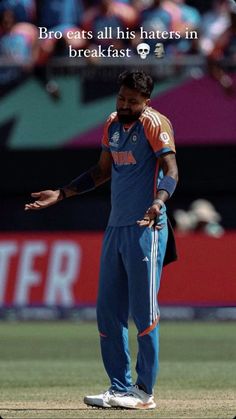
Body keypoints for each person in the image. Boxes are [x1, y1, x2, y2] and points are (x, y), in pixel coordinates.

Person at [25, 70, 178, 410]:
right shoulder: (111, 123)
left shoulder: (155, 123)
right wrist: (62, 193)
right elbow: (101, 172)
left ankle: (144, 392)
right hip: (116, 228)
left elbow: (171, 170)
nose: (125, 105)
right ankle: (119, 387)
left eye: (133, 102)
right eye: (122, 98)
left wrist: (158, 201)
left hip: (146, 226)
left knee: (144, 312)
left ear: (146, 102)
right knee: (108, 313)